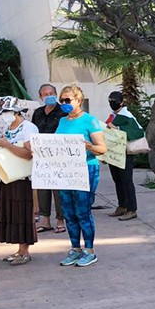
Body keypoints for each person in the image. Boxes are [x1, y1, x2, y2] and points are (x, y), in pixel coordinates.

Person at [55, 85, 106, 267]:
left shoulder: (90, 121)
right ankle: (75, 249)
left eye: (68, 100)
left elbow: (102, 148)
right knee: (68, 212)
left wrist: (88, 146)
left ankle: (90, 250)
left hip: (85, 169)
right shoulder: (62, 121)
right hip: (66, 172)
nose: (64, 104)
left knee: (83, 211)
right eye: (61, 100)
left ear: (79, 101)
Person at [0, 96, 38, 266]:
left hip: (23, 178)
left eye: (8, 111)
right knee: (12, 213)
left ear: (17, 111)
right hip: (9, 175)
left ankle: (25, 251)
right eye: (3, 112)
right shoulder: (8, 127)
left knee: (22, 213)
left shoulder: (28, 128)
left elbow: (29, 153)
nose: (5, 115)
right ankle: (19, 250)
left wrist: (5, 144)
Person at [31, 83, 67, 234]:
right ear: (40, 97)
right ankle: (45, 220)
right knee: (42, 187)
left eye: (51, 93)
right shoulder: (38, 112)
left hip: (59, 155)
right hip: (40, 155)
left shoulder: (63, 112)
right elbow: (33, 130)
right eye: (45, 94)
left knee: (58, 189)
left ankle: (60, 219)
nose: (48, 96)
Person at [105, 91, 144, 221]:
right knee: (118, 180)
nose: (112, 102)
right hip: (114, 153)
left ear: (122, 102)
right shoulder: (113, 116)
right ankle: (122, 206)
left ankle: (132, 209)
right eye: (110, 100)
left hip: (125, 153)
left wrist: (118, 129)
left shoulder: (127, 116)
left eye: (115, 100)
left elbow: (138, 132)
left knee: (126, 181)